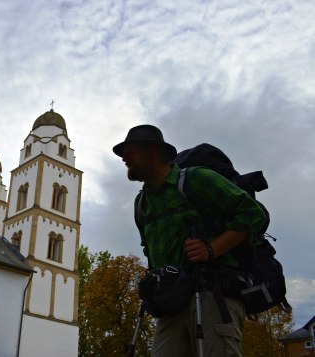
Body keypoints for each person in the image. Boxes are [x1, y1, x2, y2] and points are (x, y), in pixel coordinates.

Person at [113, 125, 266, 357]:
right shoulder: (142, 204)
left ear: (151, 150)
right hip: (170, 304)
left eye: (129, 150)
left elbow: (253, 214)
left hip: (213, 295)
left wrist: (212, 248)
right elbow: (149, 250)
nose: (123, 157)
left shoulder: (196, 179)